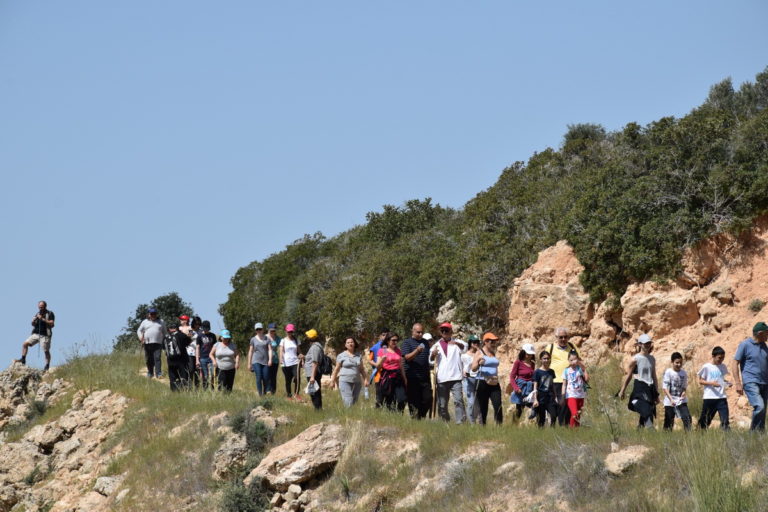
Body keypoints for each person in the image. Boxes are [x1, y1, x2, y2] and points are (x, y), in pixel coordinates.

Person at [732, 322, 768, 431]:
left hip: (765, 383)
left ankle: (759, 437)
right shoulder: (745, 345)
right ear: (760, 333)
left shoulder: (764, 346)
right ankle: (753, 433)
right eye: (767, 333)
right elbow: (734, 363)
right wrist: (738, 383)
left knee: (763, 411)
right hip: (751, 381)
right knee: (759, 407)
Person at [619, 334, 659, 429]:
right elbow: (629, 375)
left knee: (649, 409)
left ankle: (639, 430)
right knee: (646, 409)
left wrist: (656, 393)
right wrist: (622, 390)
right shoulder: (635, 359)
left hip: (650, 387)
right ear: (640, 344)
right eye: (645, 343)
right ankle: (650, 429)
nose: (648, 345)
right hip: (640, 386)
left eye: (649, 343)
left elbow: (654, 376)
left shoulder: (652, 359)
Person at [429, 322, 467, 424]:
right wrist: (433, 355)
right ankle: (445, 422)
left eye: (447, 330)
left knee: (458, 400)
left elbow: (465, 348)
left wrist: (457, 343)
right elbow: (430, 360)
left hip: (456, 377)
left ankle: (460, 422)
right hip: (442, 378)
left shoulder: (457, 342)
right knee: (442, 404)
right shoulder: (436, 346)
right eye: (443, 331)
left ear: (451, 331)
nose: (445, 332)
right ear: (440, 332)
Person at [401, 323, 433, 419]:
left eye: (421, 332)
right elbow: (407, 358)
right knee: (414, 401)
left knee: (428, 399)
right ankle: (415, 420)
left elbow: (427, 358)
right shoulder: (407, 342)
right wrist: (417, 351)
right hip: (412, 377)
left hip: (424, 376)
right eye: (418, 332)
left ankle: (421, 416)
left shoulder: (426, 343)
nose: (420, 334)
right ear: (413, 331)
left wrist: (433, 355)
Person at [549, 327, 579, 426]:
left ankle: (566, 425)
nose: (563, 339)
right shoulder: (550, 348)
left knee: (568, 403)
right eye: (561, 337)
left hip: (571, 380)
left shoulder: (572, 346)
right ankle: (559, 424)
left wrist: (584, 372)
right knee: (560, 403)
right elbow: (544, 362)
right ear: (556, 337)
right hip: (556, 380)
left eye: (565, 337)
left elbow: (578, 360)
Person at [471, 332, 503, 425]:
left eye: (494, 341)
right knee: (483, 407)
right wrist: (479, 363)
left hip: (494, 382)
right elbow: (473, 368)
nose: (493, 343)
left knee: (498, 405)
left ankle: (499, 427)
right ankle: (482, 427)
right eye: (491, 341)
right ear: (485, 342)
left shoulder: (493, 352)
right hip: (482, 382)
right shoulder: (479, 352)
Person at [697, 346, 731, 430]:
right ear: (713, 356)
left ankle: (726, 437)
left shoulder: (723, 366)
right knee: (705, 421)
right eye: (719, 358)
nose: (721, 360)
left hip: (721, 397)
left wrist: (727, 383)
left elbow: (721, 380)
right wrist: (712, 383)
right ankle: (699, 433)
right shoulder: (706, 367)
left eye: (723, 358)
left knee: (725, 420)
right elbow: (701, 381)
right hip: (709, 398)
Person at [16, 301, 55, 371]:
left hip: (45, 335)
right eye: (39, 307)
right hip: (36, 334)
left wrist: (42, 319)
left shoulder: (50, 313)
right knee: (25, 344)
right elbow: (33, 324)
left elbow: (52, 324)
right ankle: (23, 359)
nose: (40, 308)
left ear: (45, 306)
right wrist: (33, 321)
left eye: (42, 306)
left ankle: (47, 365)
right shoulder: (37, 313)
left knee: (46, 351)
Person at [331, 336, 368, 407]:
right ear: (345, 345)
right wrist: (332, 381)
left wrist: (365, 379)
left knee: (354, 401)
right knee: (348, 401)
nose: (350, 344)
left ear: (354, 343)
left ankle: (352, 416)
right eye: (348, 342)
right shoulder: (341, 356)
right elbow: (336, 369)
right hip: (345, 381)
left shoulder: (358, 355)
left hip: (357, 382)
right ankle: (347, 417)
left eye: (351, 342)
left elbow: (362, 369)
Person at [376, 334, 408, 412]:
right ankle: (391, 415)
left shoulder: (398, 351)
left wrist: (405, 378)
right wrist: (382, 360)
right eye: (393, 340)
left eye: (396, 340)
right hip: (387, 376)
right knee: (389, 399)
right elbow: (378, 366)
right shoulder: (383, 350)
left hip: (397, 376)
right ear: (388, 341)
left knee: (402, 398)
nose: (395, 342)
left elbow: (401, 366)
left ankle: (400, 413)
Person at [662, 352, 692, 431]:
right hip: (670, 400)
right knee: (669, 421)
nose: (679, 364)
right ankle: (666, 437)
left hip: (681, 401)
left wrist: (684, 392)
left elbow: (684, 387)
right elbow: (665, 388)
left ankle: (688, 437)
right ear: (672, 362)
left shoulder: (684, 373)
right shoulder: (668, 372)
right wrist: (671, 399)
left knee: (687, 418)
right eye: (677, 363)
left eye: (680, 363)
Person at [509, 343, 536, 420]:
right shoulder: (518, 363)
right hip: (520, 388)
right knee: (519, 409)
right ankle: (514, 426)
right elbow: (512, 376)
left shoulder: (532, 364)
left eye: (531, 354)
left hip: (529, 387)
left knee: (534, 405)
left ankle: (533, 420)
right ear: (523, 353)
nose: (530, 356)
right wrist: (516, 388)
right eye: (528, 354)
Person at [137, 307, 167, 378]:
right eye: (152, 314)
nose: (153, 315)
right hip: (147, 343)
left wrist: (166, 340)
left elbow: (165, 332)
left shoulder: (161, 321)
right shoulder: (145, 322)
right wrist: (141, 337)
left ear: (156, 314)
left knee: (157, 358)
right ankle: (150, 372)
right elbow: (139, 330)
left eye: (154, 314)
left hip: (158, 343)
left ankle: (158, 373)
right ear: (149, 314)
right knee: (149, 359)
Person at [562, 351, 589, 427]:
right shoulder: (566, 370)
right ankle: (572, 430)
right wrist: (562, 395)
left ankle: (576, 432)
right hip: (570, 395)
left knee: (578, 415)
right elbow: (564, 384)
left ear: (578, 359)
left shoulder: (580, 369)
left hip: (580, 395)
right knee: (574, 413)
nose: (573, 362)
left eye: (575, 359)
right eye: (571, 360)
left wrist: (583, 368)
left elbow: (586, 379)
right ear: (568, 360)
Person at [532, 351, 558, 428]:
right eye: (544, 358)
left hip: (550, 397)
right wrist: (535, 399)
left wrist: (555, 396)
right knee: (541, 419)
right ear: (540, 360)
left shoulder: (551, 371)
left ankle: (553, 431)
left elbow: (552, 384)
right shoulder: (537, 372)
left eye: (548, 358)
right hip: (540, 397)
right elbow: (535, 386)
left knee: (554, 415)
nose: (546, 360)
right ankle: (541, 434)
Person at [164, 323, 192, 391]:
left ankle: (174, 391)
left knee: (172, 377)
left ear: (169, 329)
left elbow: (163, 347)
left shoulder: (166, 336)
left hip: (170, 361)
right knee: (183, 376)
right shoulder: (181, 335)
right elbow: (188, 342)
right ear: (177, 328)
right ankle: (184, 390)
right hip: (181, 360)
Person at [248, 322, 272, 396]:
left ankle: (266, 392)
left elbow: (270, 350)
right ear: (255, 330)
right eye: (257, 329)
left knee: (265, 377)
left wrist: (270, 359)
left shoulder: (267, 339)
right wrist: (249, 363)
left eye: (260, 329)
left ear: (262, 329)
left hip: (265, 361)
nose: (259, 330)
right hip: (256, 361)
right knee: (259, 377)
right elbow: (251, 351)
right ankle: (260, 394)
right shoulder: (253, 339)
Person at [279, 324, 303, 399]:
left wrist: (302, 356)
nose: (290, 333)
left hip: (295, 362)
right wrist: (280, 359)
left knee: (297, 378)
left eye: (291, 331)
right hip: (286, 363)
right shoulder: (283, 340)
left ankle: (297, 394)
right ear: (286, 331)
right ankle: (289, 395)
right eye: (289, 331)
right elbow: (281, 351)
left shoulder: (296, 340)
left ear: (293, 331)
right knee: (288, 380)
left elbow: (299, 350)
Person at [461, 335, 481, 424]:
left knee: (479, 403)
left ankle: (480, 421)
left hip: (479, 379)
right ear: (470, 343)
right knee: (471, 402)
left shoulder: (480, 354)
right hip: (468, 379)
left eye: (477, 342)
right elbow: (461, 367)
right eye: (474, 342)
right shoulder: (464, 355)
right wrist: (463, 373)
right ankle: (472, 423)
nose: (476, 344)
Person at [368, 327, 389, 407]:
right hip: (379, 375)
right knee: (379, 398)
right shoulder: (375, 347)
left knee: (389, 398)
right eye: (383, 335)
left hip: (390, 376)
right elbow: (370, 360)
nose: (385, 337)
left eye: (387, 335)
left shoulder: (391, 346)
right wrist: (376, 365)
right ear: (380, 336)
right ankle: (378, 413)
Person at [304, 329, 324, 410]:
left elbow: (315, 362)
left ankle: (318, 410)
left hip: (313, 374)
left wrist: (312, 376)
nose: (307, 337)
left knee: (315, 393)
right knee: (314, 392)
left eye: (308, 336)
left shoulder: (315, 347)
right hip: (313, 373)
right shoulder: (315, 346)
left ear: (312, 338)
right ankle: (317, 409)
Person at [196, 320, 217, 389]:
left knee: (212, 374)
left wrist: (215, 358)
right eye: (204, 328)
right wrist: (197, 360)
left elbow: (215, 347)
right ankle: (205, 389)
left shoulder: (213, 336)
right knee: (205, 375)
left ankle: (212, 388)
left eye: (207, 328)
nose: (205, 329)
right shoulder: (199, 336)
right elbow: (197, 348)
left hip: (211, 358)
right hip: (203, 358)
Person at [185, 316, 201, 388]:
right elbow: (187, 341)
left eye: (198, 324)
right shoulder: (191, 331)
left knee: (197, 370)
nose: (197, 325)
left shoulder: (201, 331)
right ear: (193, 323)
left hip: (199, 353)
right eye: (196, 324)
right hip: (190, 352)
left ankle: (197, 385)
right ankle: (189, 384)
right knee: (191, 369)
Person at [266, 323, 281, 394]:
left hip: (275, 359)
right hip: (266, 359)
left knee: (273, 376)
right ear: (268, 330)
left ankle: (273, 391)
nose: (272, 332)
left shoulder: (278, 338)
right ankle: (267, 390)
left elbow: (282, 347)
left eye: (274, 330)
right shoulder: (265, 337)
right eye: (271, 330)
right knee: (267, 375)